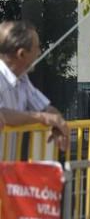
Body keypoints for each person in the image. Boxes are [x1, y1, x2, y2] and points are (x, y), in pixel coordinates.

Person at [0, 20, 69, 152]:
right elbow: (2, 113)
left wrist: (56, 124)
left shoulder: (22, 79)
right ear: (22, 54)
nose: (39, 52)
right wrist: (42, 118)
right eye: (36, 47)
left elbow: (46, 108)